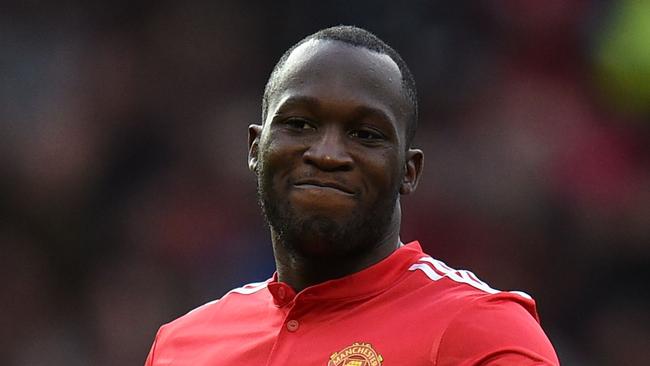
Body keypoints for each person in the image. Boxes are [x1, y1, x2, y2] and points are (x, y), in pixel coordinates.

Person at [145, 25, 559, 365]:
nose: (326, 154)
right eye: (299, 124)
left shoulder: (478, 332)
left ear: (408, 171)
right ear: (256, 148)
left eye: (365, 134)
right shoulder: (182, 345)